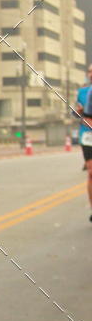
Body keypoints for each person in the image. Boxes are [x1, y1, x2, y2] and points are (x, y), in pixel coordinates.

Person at [74, 63, 92, 221]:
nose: (91, 74)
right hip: (87, 135)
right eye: (89, 71)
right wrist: (77, 112)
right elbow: (75, 112)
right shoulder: (82, 92)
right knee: (91, 173)